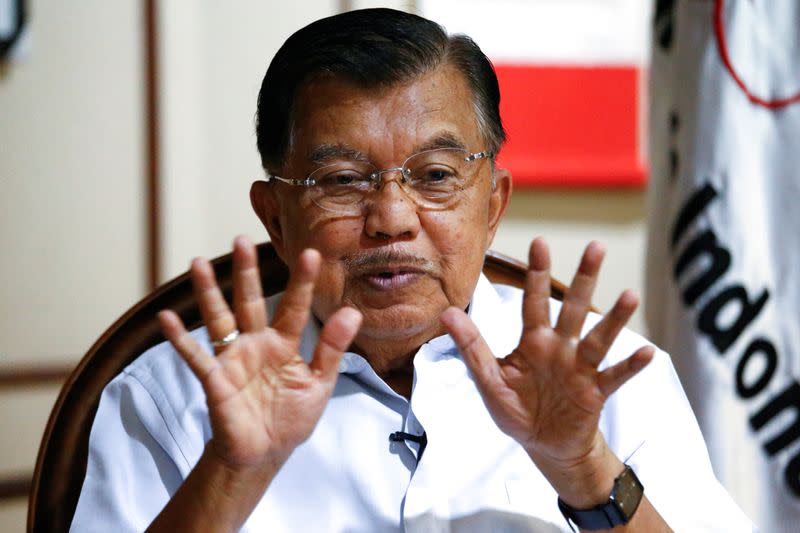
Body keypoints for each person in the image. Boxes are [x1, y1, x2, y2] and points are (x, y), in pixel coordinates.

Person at [71, 8, 753, 532]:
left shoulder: (613, 381)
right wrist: (229, 470)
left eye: (434, 175)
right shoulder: (168, 399)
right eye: (342, 179)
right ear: (275, 216)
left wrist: (587, 470)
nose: (392, 217)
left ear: (493, 206)